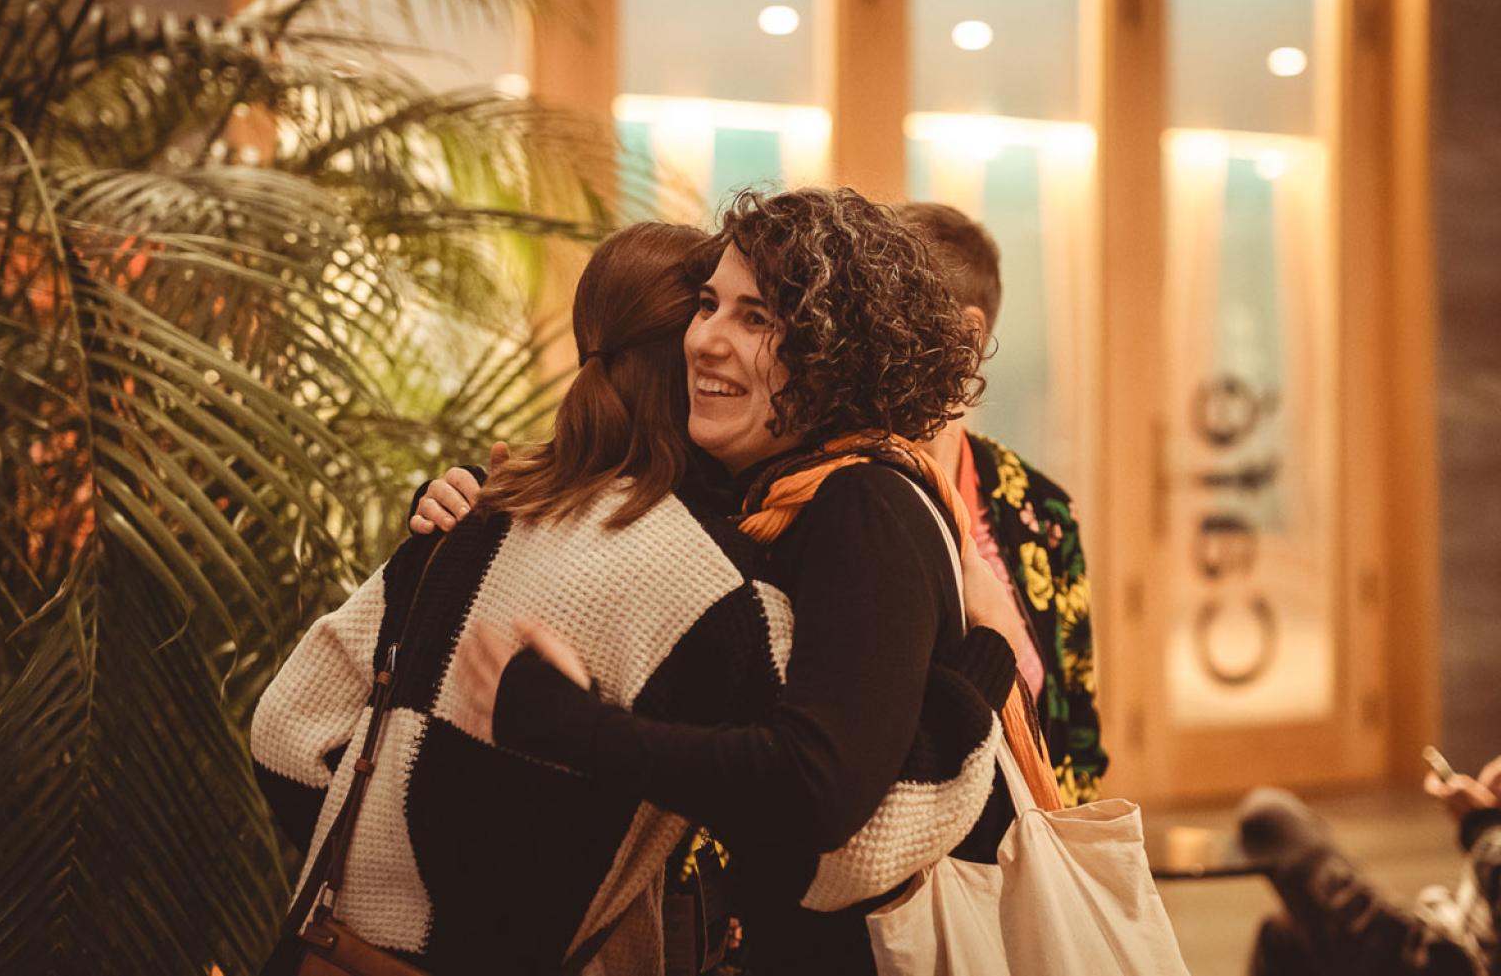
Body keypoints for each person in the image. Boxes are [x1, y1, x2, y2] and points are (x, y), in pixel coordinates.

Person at [443, 188, 1059, 976]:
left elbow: (817, 788)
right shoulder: (772, 498)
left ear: (838, 350)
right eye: (709, 305)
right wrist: (470, 490)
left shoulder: (860, 502)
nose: (705, 340)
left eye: (757, 317)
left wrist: (568, 724)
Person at [250, 222, 799, 976]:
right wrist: (978, 661)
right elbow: (838, 827)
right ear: (690, 354)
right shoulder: (725, 590)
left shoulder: (480, 510)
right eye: (711, 310)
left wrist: (386, 882)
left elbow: (285, 730)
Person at [895, 201, 1108, 806]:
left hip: (1023, 857)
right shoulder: (835, 490)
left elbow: (1077, 730)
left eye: (892, 316)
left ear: (968, 338)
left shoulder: (1038, 510)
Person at [1236, 756, 1501, 975]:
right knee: (1283, 936)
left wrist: (1482, 824)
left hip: (1447, 962)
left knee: (1268, 813)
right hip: (1447, 930)